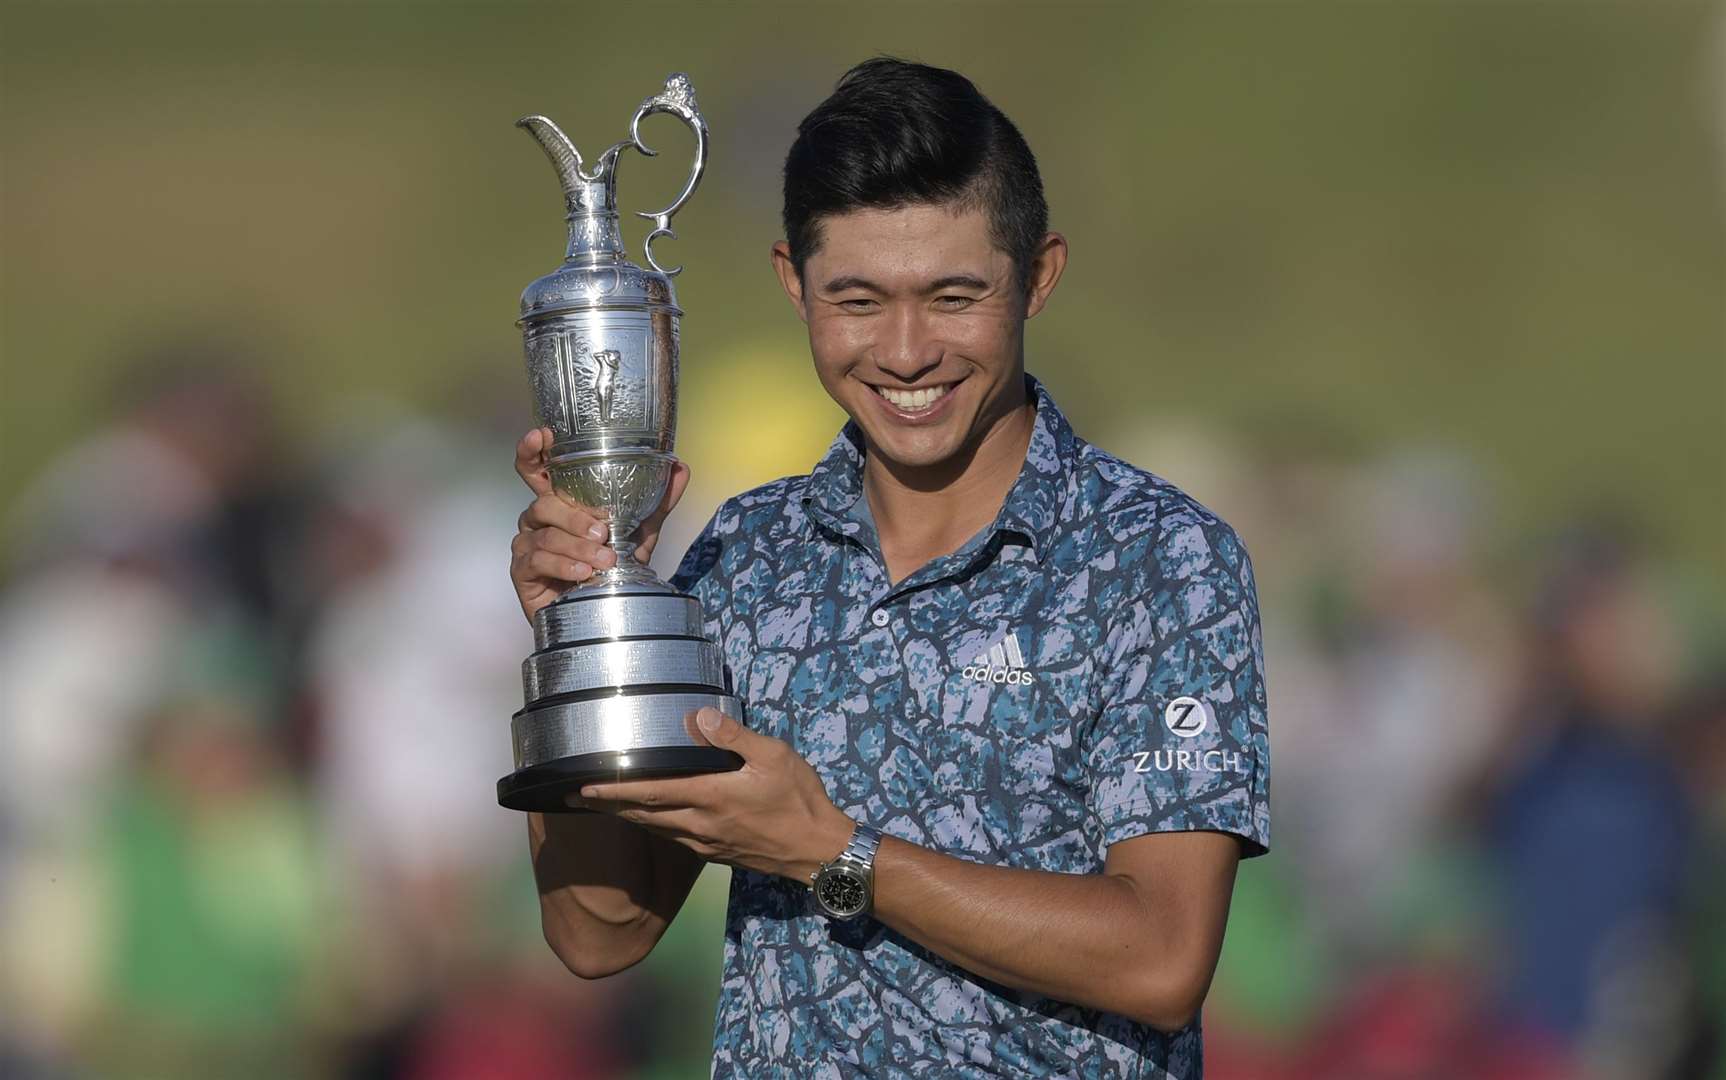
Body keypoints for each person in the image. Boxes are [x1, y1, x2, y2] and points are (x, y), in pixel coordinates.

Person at [507, 57, 1270, 1078]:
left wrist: (834, 854)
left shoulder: (1157, 559)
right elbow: (600, 933)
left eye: (954, 296)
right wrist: (580, 637)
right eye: (857, 301)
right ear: (793, 282)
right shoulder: (749, 553)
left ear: (1037, 275)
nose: (906, 352)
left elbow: (1161, 956)